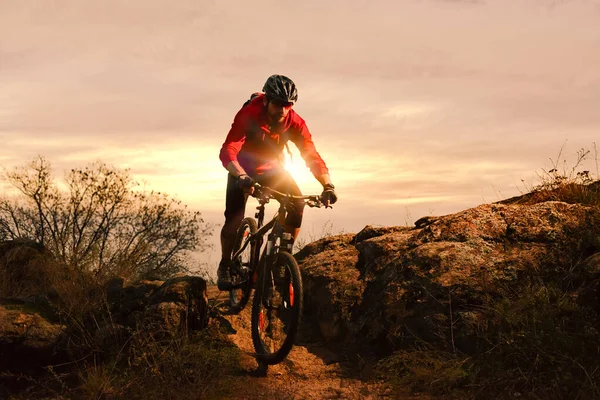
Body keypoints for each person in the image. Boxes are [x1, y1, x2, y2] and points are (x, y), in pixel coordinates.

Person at [217, 74, 337, 290]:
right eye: (278, 104)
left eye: (288, 105)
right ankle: (226, 264)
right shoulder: (249, 113)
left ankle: (282, 258)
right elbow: (228, 149)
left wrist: (327, 185)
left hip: (273, 170)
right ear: (266, 101)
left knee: (297, 205)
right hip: (242, 170)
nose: (283, 110)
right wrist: (241, 175)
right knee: (234, 221)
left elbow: (311, 156)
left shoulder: (296, 123)